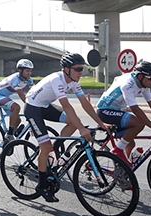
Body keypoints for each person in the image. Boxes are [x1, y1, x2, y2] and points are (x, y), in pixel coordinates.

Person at [23, 53, 110, 203]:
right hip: (32, 108)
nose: (80, 72)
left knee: (72, 122)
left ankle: (55, 151)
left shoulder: (74, 80)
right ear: (66, 69)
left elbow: (85, 103)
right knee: (45, 146)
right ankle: (42, 186)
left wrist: (101, 123)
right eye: (78, 69)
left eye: (82, 69)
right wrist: (82, 129)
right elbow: (66, 106)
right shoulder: (57, 79)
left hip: (45, 106)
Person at [96, 61, 151, 164]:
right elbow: (135, 109)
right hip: (105, 111)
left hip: (116, 110)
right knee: (138, 123)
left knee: (130, 144)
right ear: (140, 76)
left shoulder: (144, 84)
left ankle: (120, 171)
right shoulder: (128, 84)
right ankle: (117, 151)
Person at [0, 59, 34, 141]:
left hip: (4, 97)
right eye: (27, 71)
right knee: (16, 108)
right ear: (20, 71)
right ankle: (10, 134)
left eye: (30, 71)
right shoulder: (15, 79)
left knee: (17, 120)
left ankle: (8, 140)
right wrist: (32, 106)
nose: (29, 73)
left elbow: (33, 93)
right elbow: (21, 95)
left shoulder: (29, 80)